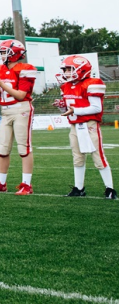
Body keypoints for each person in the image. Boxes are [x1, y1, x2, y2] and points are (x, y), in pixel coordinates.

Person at [57, 56, 115, 199]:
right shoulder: (66, 86)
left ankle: (110, 189)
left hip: (89, 125)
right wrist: (61, 106)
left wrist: (74, 110)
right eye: (65, 70)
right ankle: (79, 188)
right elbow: (68, 110)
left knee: (98, 157)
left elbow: (96, 107)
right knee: (77, 158)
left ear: (81, 69)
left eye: (69, 69)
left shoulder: (92, 83)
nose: (66, 73)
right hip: (74, 126)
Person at [0, 39, 37, 195]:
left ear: (14, 54)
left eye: (3, 52)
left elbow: (21, 95)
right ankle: (1, 183)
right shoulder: (0, 69)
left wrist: (1, 84)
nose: (1, 55)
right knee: (3, 148)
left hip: (21, 109)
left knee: (24, 147)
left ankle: (26, 185)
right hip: (5, 111)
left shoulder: (26, 69)